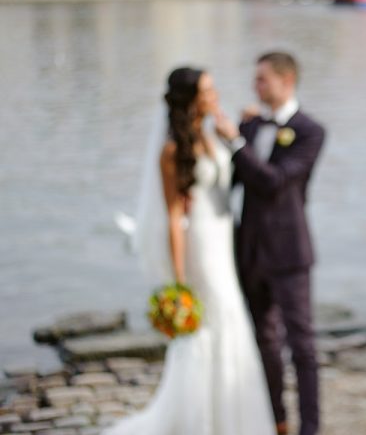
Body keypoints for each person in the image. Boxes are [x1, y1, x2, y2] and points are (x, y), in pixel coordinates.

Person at [104, 67, 274, 435]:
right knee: (214, 322)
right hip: (201, 245)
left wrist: (242, 130)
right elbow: (173, 217)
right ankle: (203, 421)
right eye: (207, 90)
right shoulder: (171, 149)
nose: (215, 95)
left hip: (223, 240)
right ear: (191, 99)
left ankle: (235, 415)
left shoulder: (212, 132)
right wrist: (179, 279)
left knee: (231, 320)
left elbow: (240, 169)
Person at [215, 52, 325, 435]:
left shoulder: (310, 130)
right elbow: (232, 180)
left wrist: (233, 142)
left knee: (303, 345)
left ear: (286, 80)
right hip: (248, 251)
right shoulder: (251, 125)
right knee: (263, 339)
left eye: (262, 79)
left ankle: (310, 428)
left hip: (289, 252)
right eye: (255, 79)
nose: (255, 86)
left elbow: (273, 181)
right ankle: (276, 420)